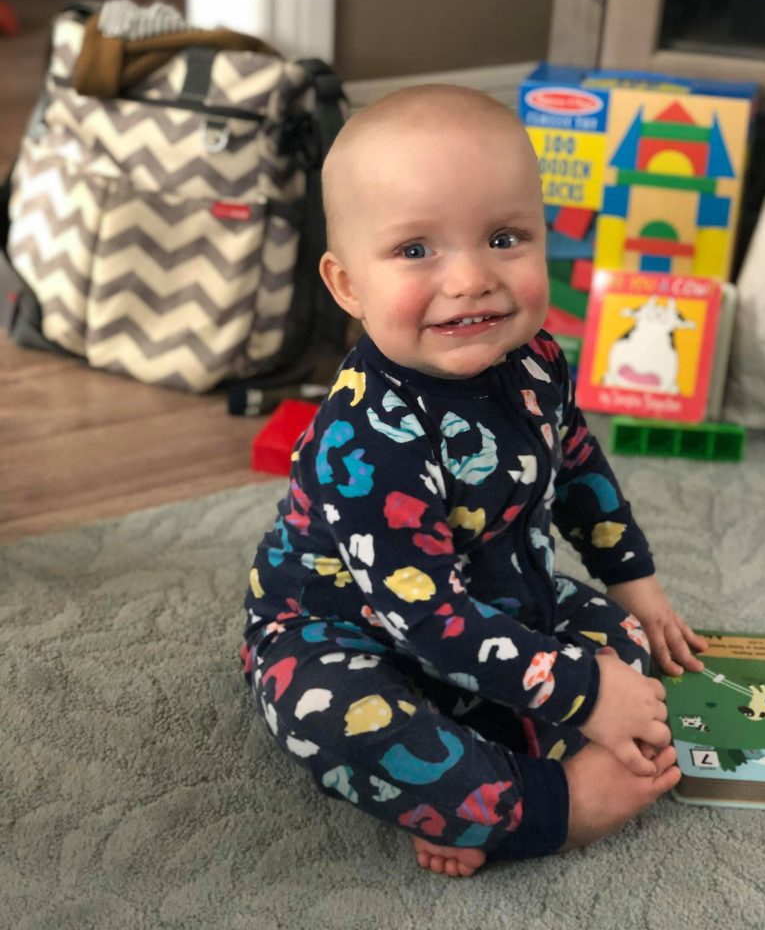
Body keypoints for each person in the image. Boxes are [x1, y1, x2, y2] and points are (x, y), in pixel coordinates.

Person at [241, 84, 707, 876]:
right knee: (343, 723)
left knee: (627, 650)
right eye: (416, 250)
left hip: (498, 598)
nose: (470, 278)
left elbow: (579, 465)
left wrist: (637, 584)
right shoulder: (368, 437)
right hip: (350, 630)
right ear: (348, 284)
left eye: (503, 237)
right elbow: (426, 621)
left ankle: (492, 754)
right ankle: (542, 808)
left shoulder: (538, 360)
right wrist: (583, 694)